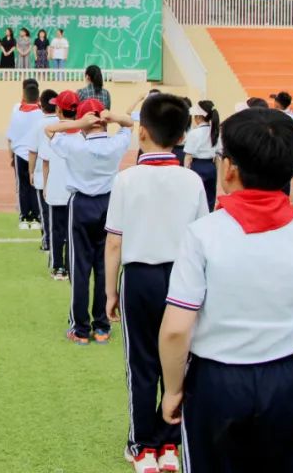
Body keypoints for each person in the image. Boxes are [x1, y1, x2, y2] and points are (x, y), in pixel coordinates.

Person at [160, 107, 293, 472]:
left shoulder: (203, 234)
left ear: (229, 168)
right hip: (287, 381)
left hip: (216, 381)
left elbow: (177, 328)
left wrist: (174, 389)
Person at [103, 94, 208, 473]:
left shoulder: (126, 179)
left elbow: (114, 242)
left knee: (142, 363)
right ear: (182, 137)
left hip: (140, 279)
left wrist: (110, 291)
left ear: (141, 132)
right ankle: (169, 445)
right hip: (183, 279)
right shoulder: (193, 180)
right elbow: (203, 238)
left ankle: (143, 446)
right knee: (179, 361)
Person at [46, 96, 133, 345]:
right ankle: (102, 326)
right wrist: (112, 117)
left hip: (81, 204)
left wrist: (78, 123)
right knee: (105, 267)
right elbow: (129, 124)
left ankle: (81, 329)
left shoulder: (74, 146)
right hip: (109, 203)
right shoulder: (115, 144)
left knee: (79, 268)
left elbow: (49, 129)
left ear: (84, 122)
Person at [41, 91, 74, 280]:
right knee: (71, 231)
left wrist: (45, 185)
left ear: (59, 110)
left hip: (56, 189)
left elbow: (45, 162)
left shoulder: (52, 133)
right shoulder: (82, 135)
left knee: (56, 231)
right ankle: (70, 265)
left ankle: (58, 267)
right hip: (75, 192)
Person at [7, 82, 44, 231]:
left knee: (22, 186)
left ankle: (24, 217)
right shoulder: (41, 114)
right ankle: (36, 216)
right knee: (35, 184)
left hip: (20, 154)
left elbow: (10, 137)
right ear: (38, 98)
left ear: (24, 95)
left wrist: (11, 155)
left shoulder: (17, 112)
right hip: (36, 154)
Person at [27, 89, 58, 254]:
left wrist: (30, 171)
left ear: (41, 105)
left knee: (45, 211)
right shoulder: (63, 123)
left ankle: (47, 243)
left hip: (41, 173)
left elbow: (32, 151)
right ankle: (60, 240)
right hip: (60, 173)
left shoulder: (38, 124)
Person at [184, 101, 221, 210]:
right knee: (210, 197)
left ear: (199, 117)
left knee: (195, 196)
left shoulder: (194, 133)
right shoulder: (215, 132)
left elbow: (188, 157)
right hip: (211, 166)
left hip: (197, 166)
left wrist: (186, 171)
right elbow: (218, 156)